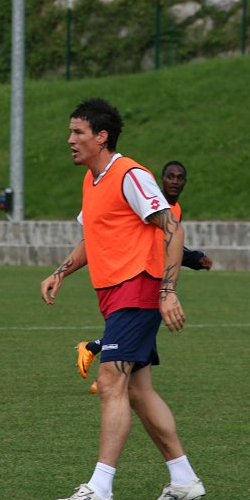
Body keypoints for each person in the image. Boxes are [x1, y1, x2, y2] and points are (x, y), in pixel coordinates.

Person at [41, 98, 205, 500]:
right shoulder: (91, 181)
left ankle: (99, 489)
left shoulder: (129, 174)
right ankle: (184, 480)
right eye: (71, 132)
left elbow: (172, 228)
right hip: (114, 294)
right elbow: (90, 239)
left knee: (111, 379)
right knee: (138, 390)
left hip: (138, 288)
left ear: (102, 136)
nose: (70, 140)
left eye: (78, 132)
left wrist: (167, 291)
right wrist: (61, 272)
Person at [77, 160, 213, 385]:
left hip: (156, 279)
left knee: (140, 338)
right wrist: (194, 258)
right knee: (136, 336)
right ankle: (106, 375)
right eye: (171, 176)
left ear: (185, 182)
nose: (175, 181)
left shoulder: (175, 210)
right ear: (162, 179)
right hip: (136, 276)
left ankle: (99, 359)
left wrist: (193, 258)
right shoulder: (150, 203)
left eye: (180, 178)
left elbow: (165, 243)